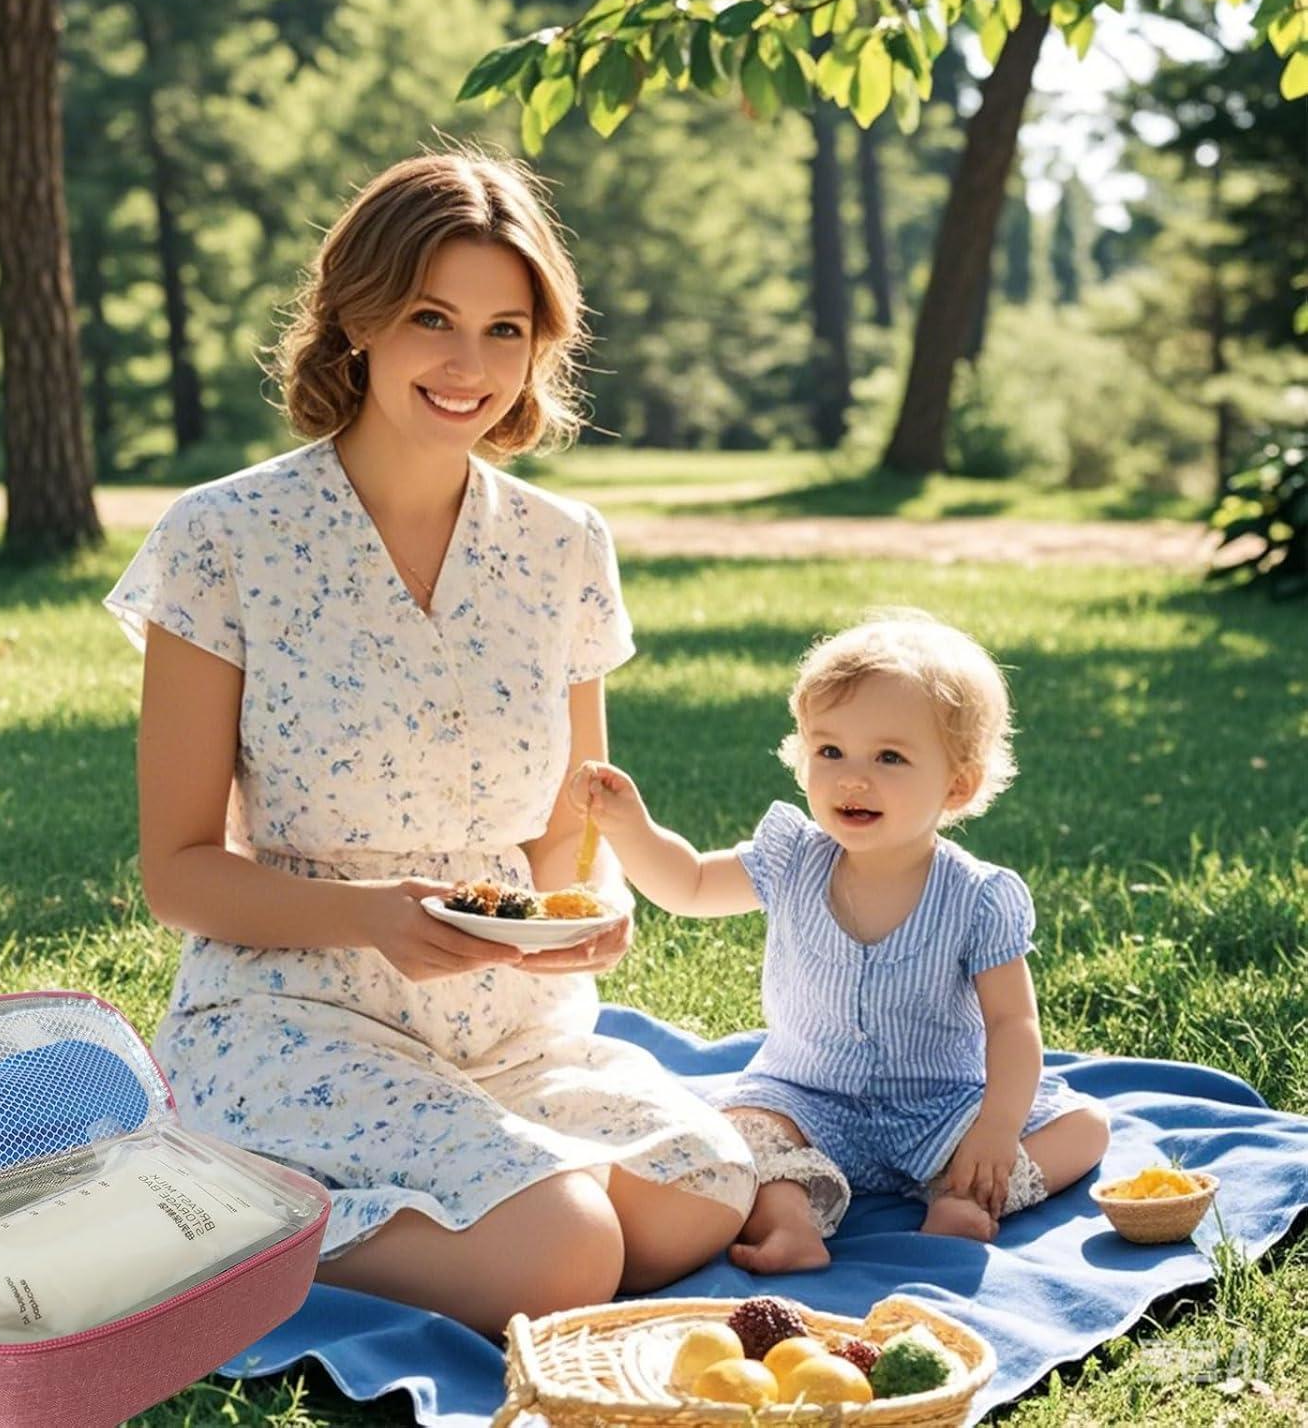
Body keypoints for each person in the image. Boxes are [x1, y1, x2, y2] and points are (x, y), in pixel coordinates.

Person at [103, 147, 754, 1336]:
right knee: (562, 1254)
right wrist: (369, 916)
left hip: (507, 1027)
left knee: (701, 1197)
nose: (470, 367)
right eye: (431, 318)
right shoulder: (225, 537)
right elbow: (178, 873)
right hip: (295, 1011)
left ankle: (410, 1211)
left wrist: (587, 915)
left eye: (507, 331)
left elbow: (571, 824)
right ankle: (194, 1221)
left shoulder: (565, 546)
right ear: (355, 320)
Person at [573, 611, 1111, 1274]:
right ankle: (791, 1226)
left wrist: (996, 1129)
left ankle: (961, 1195)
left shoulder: (977, 897)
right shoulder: (792, 858)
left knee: (1085, 1130)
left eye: (889, 757)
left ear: (958, 784)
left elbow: (1012, 1023)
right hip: (806, 1097)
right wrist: (632, 828)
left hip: (939, 1104)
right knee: (743, 1135)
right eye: (830, 751)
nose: (852, 777)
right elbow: (686, 886)